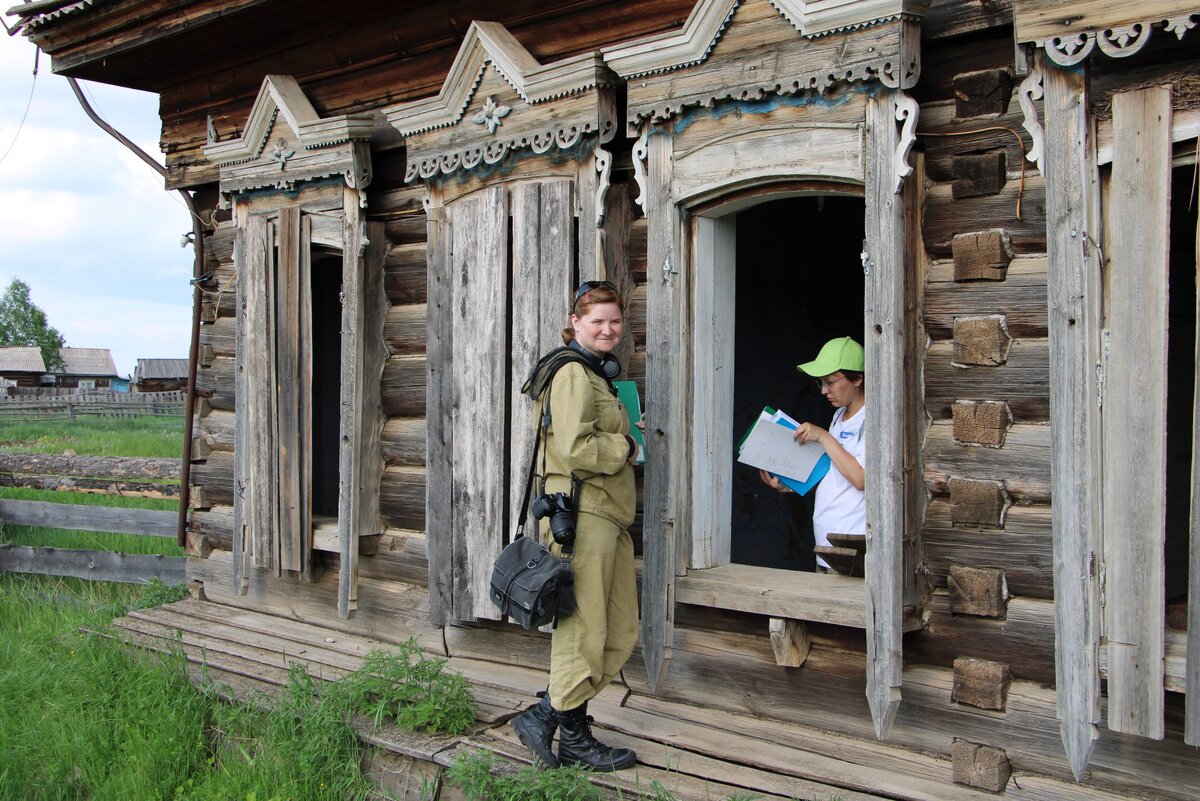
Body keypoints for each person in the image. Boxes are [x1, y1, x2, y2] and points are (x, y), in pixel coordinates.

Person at [511, 280, 640, 772]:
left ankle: (545, 713)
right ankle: (575, 737)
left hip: (608, 515)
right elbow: (576, 450)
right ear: (576, 321)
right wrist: (625, 447)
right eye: (597, 321)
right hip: (583, 516)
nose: (607, 329)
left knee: (618, 628)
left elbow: (588, 435)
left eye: (614, 321)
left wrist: (626, 432)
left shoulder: (595, 374)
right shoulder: (570, 374)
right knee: (582, 629)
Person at [760, 336, 865, 571]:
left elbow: (860, 479)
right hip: (826, 548)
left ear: (857, 378)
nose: (824, 391)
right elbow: (836, 476)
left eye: (830, 382)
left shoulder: (871, 420)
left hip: (852, 552)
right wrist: (790, 485)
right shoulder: (840, 415)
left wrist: (823, 437)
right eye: (821, 383)